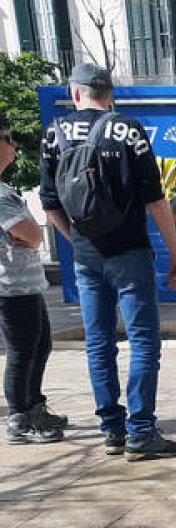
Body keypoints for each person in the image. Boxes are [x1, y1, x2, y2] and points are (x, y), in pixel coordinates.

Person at [40, 63, 176, 461]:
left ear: (75, 93)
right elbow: (155, 200)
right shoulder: (128, 130)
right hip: (131, 252)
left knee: (99, 342)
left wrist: (78, 240)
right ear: (111, 94)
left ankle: (112, 429)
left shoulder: (54, 134)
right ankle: (142, 430)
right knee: (143, 340)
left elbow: (50, 204)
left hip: (88, 258)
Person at [1, 113, 65, 444]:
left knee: (40, 345)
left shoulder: (4, 189)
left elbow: (27, 235)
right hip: (10, 286)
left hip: (24, 282)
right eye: (8, 139)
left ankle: (34, 406)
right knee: (22, 350)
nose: (14, 145)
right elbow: (31, 233)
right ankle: (19, 417)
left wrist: (27, 237)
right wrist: (29, 237)